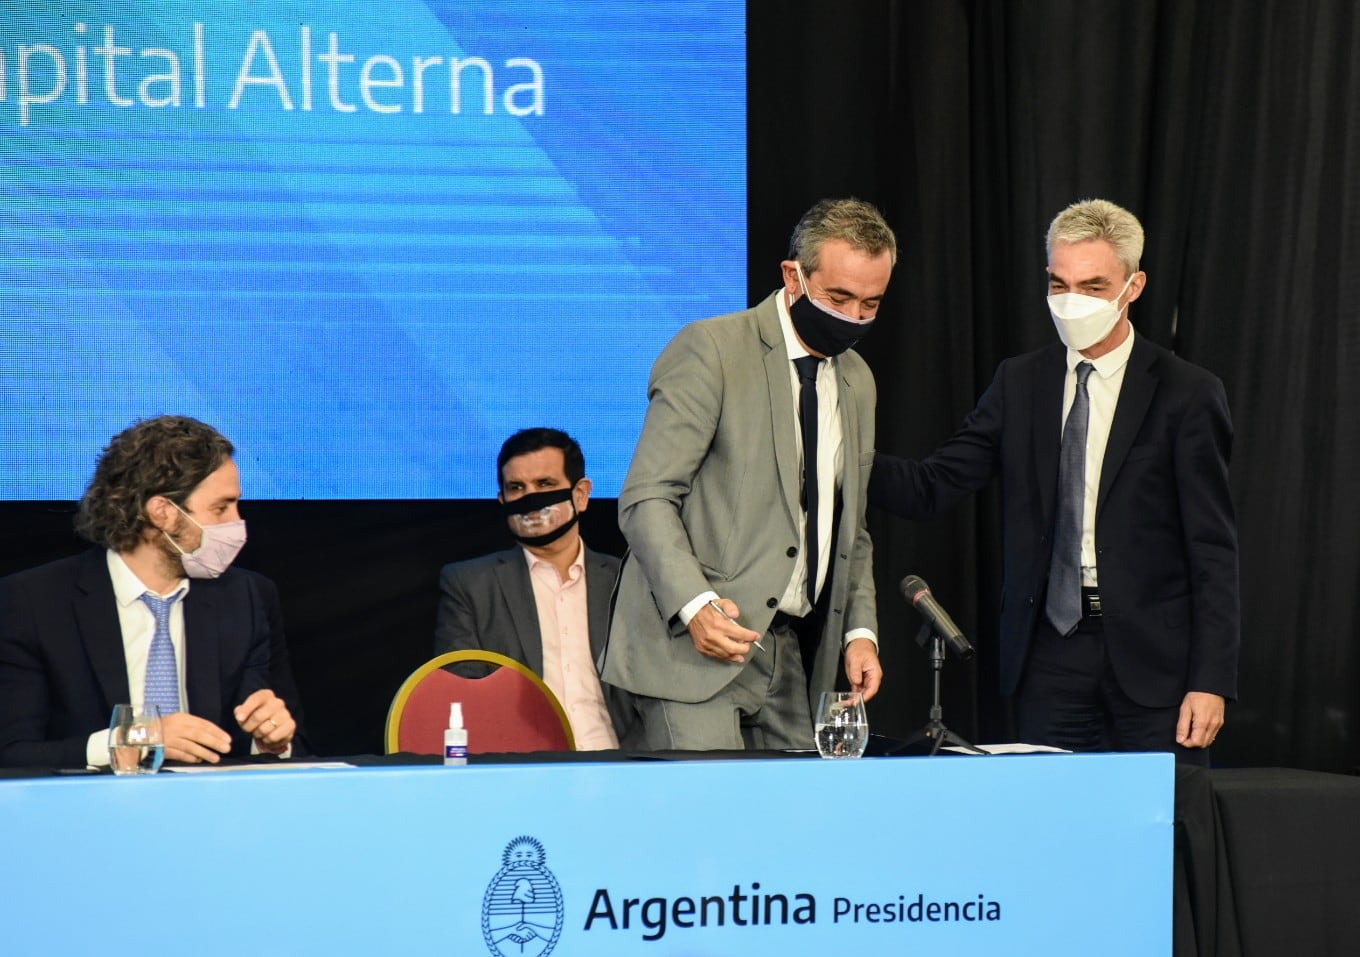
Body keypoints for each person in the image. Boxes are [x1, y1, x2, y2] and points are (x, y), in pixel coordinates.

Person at [870, 198, 1239, 764]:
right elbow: (933, 485)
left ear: (1132, 287)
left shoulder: (1186, 393)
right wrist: (835, 457)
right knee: (1054, 834)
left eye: (1093, 287)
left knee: (1159, 836)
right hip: (1050, 655)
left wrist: (1211, 679)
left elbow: (1212, 549)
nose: (1072, 303)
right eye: (1059, 283)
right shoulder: (1020, 382)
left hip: (1156, 664)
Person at [602, 198, 895, 750]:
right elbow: (647, 497)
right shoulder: (711, 349)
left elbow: (850, 526)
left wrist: (860, 632)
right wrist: (697, 607)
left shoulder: (858, 380)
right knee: (702, 824)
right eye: (839, 298)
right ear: (793, 275)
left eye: (870, 304)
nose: (853, 318)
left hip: (787, 653)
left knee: (790, 830)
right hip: (689, 650)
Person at [0, 415, 304, 769]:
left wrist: (270, 740)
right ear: (162, 512)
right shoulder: (32, 603)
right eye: (221, 508)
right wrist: (137, 739)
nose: (237, 523)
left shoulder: (247, 598)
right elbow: (11, 754)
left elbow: (292, 743)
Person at [434, 428, 632, 750]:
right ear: (502, 500)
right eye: (516, 488)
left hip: (624, 768)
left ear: (581, 495)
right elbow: (462, 696)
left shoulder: (628, 580)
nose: (531, 499)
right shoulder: (470, 585)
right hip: (524, 771)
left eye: (545, 485)